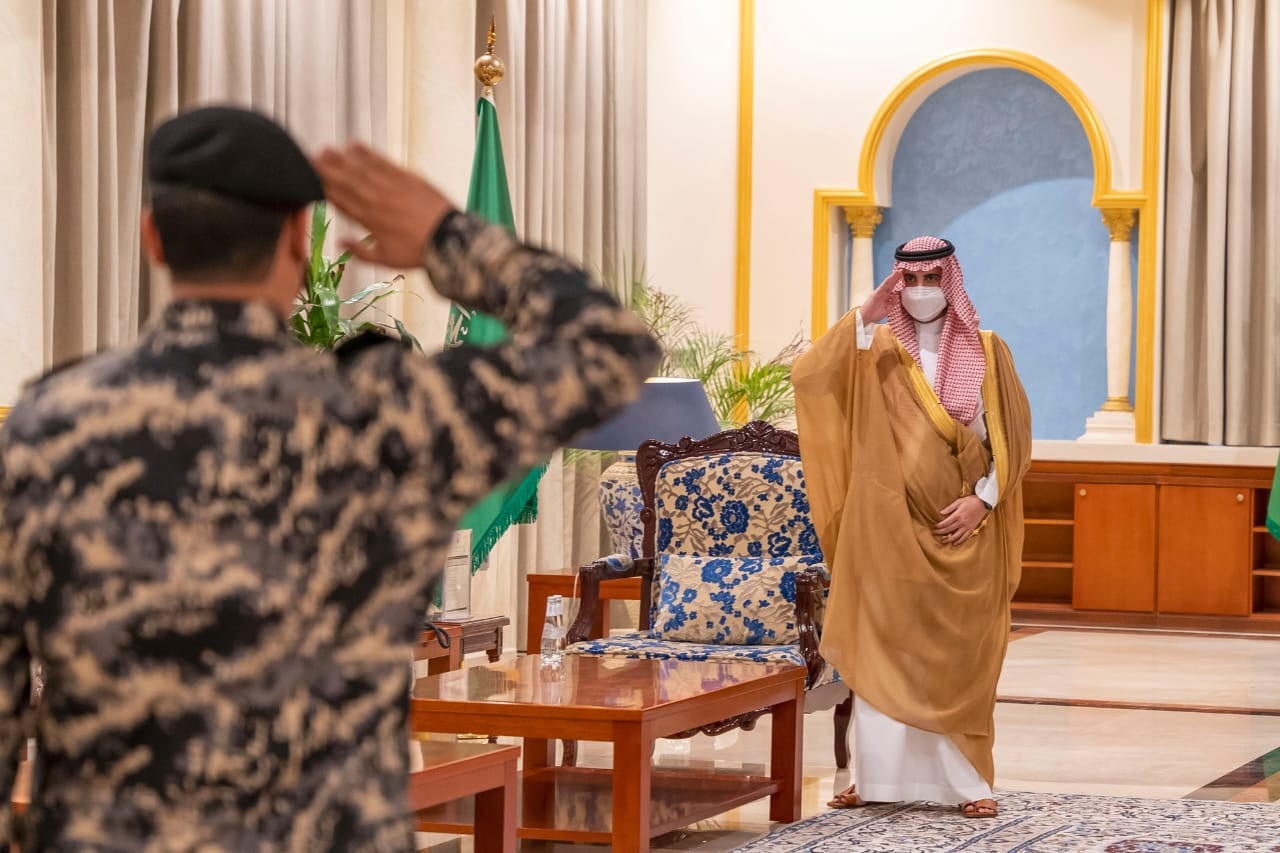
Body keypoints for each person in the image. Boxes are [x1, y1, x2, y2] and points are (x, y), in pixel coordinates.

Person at [0, 106, 659, 851]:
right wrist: (447, 236)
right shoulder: (386, 417)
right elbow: (611, 347)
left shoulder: (46, 430)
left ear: (153, 237)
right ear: (297, 238)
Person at [793, 236, 1031, 819]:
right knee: (885, 649)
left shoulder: (989, 350)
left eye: (933, 279)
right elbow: (810, 377)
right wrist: (865, 314)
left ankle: (969, 784)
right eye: (911, 280)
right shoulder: (875, 348)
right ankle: (875, 779)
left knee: (957, 659)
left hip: (962, 533)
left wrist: (983, 502)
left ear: (951, 282)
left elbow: (1014, 442)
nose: (922, 291)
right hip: (887, 532)